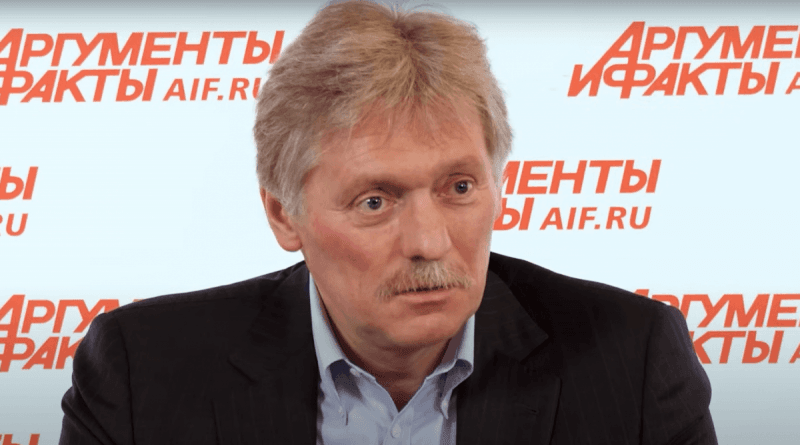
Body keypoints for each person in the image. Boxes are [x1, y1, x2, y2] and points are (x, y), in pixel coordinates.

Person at [60, 1, 717, 444]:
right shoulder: (142, 373)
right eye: (375, 201)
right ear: (284, 214)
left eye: (460, 187)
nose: (430, 242)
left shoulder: (631, 360)